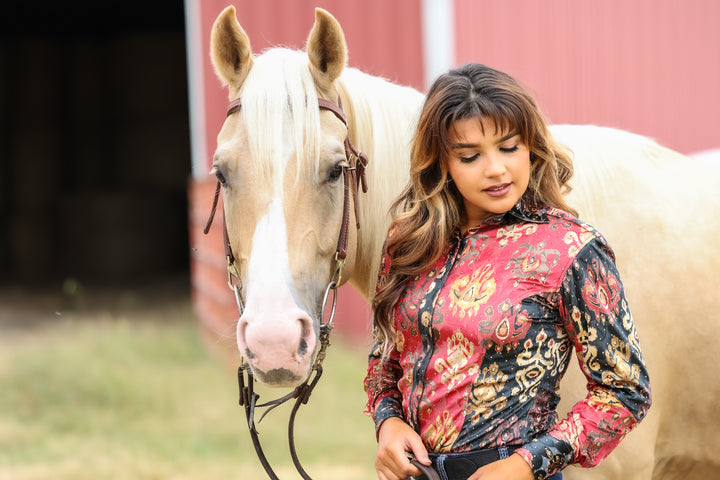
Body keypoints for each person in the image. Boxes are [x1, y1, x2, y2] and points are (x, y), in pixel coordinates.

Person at [363, 63, 651, 480]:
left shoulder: (572, 249)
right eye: (470, 155)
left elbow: (625, 390)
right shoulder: (410, 241)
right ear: (442, 162)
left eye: (509, 147)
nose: (495, 168)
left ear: (531, 147)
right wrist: (388, 423)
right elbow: (384, 361)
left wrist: (525, 465)